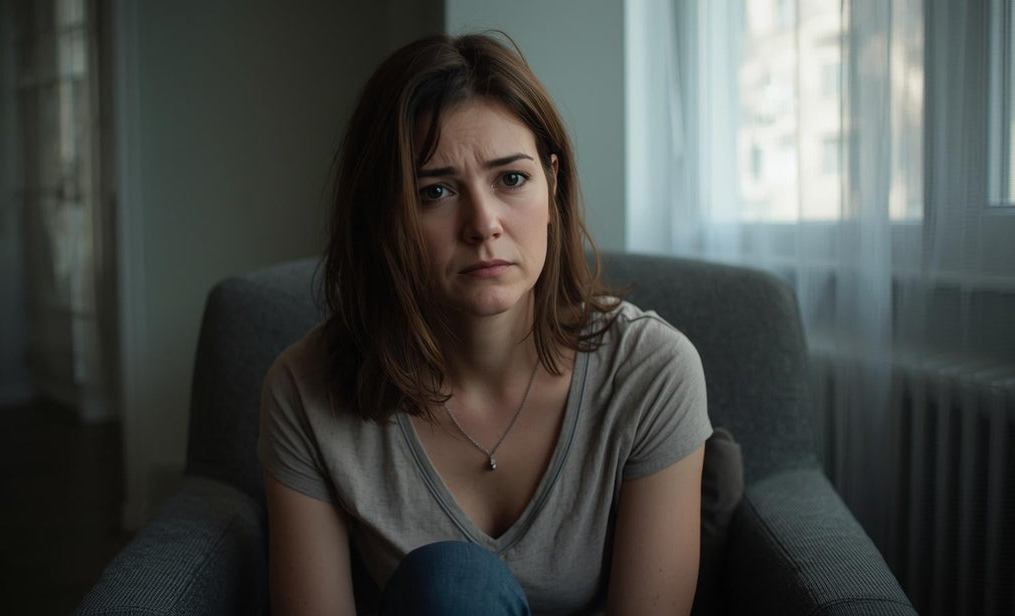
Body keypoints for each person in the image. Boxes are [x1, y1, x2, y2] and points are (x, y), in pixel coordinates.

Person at [258, 32, 711, 616]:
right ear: (383, 217)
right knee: (452, 586)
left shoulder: (653, 371)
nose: (483, 223)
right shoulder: (305, 390)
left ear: (554, 183)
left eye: (511, 179)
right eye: (436, 191)